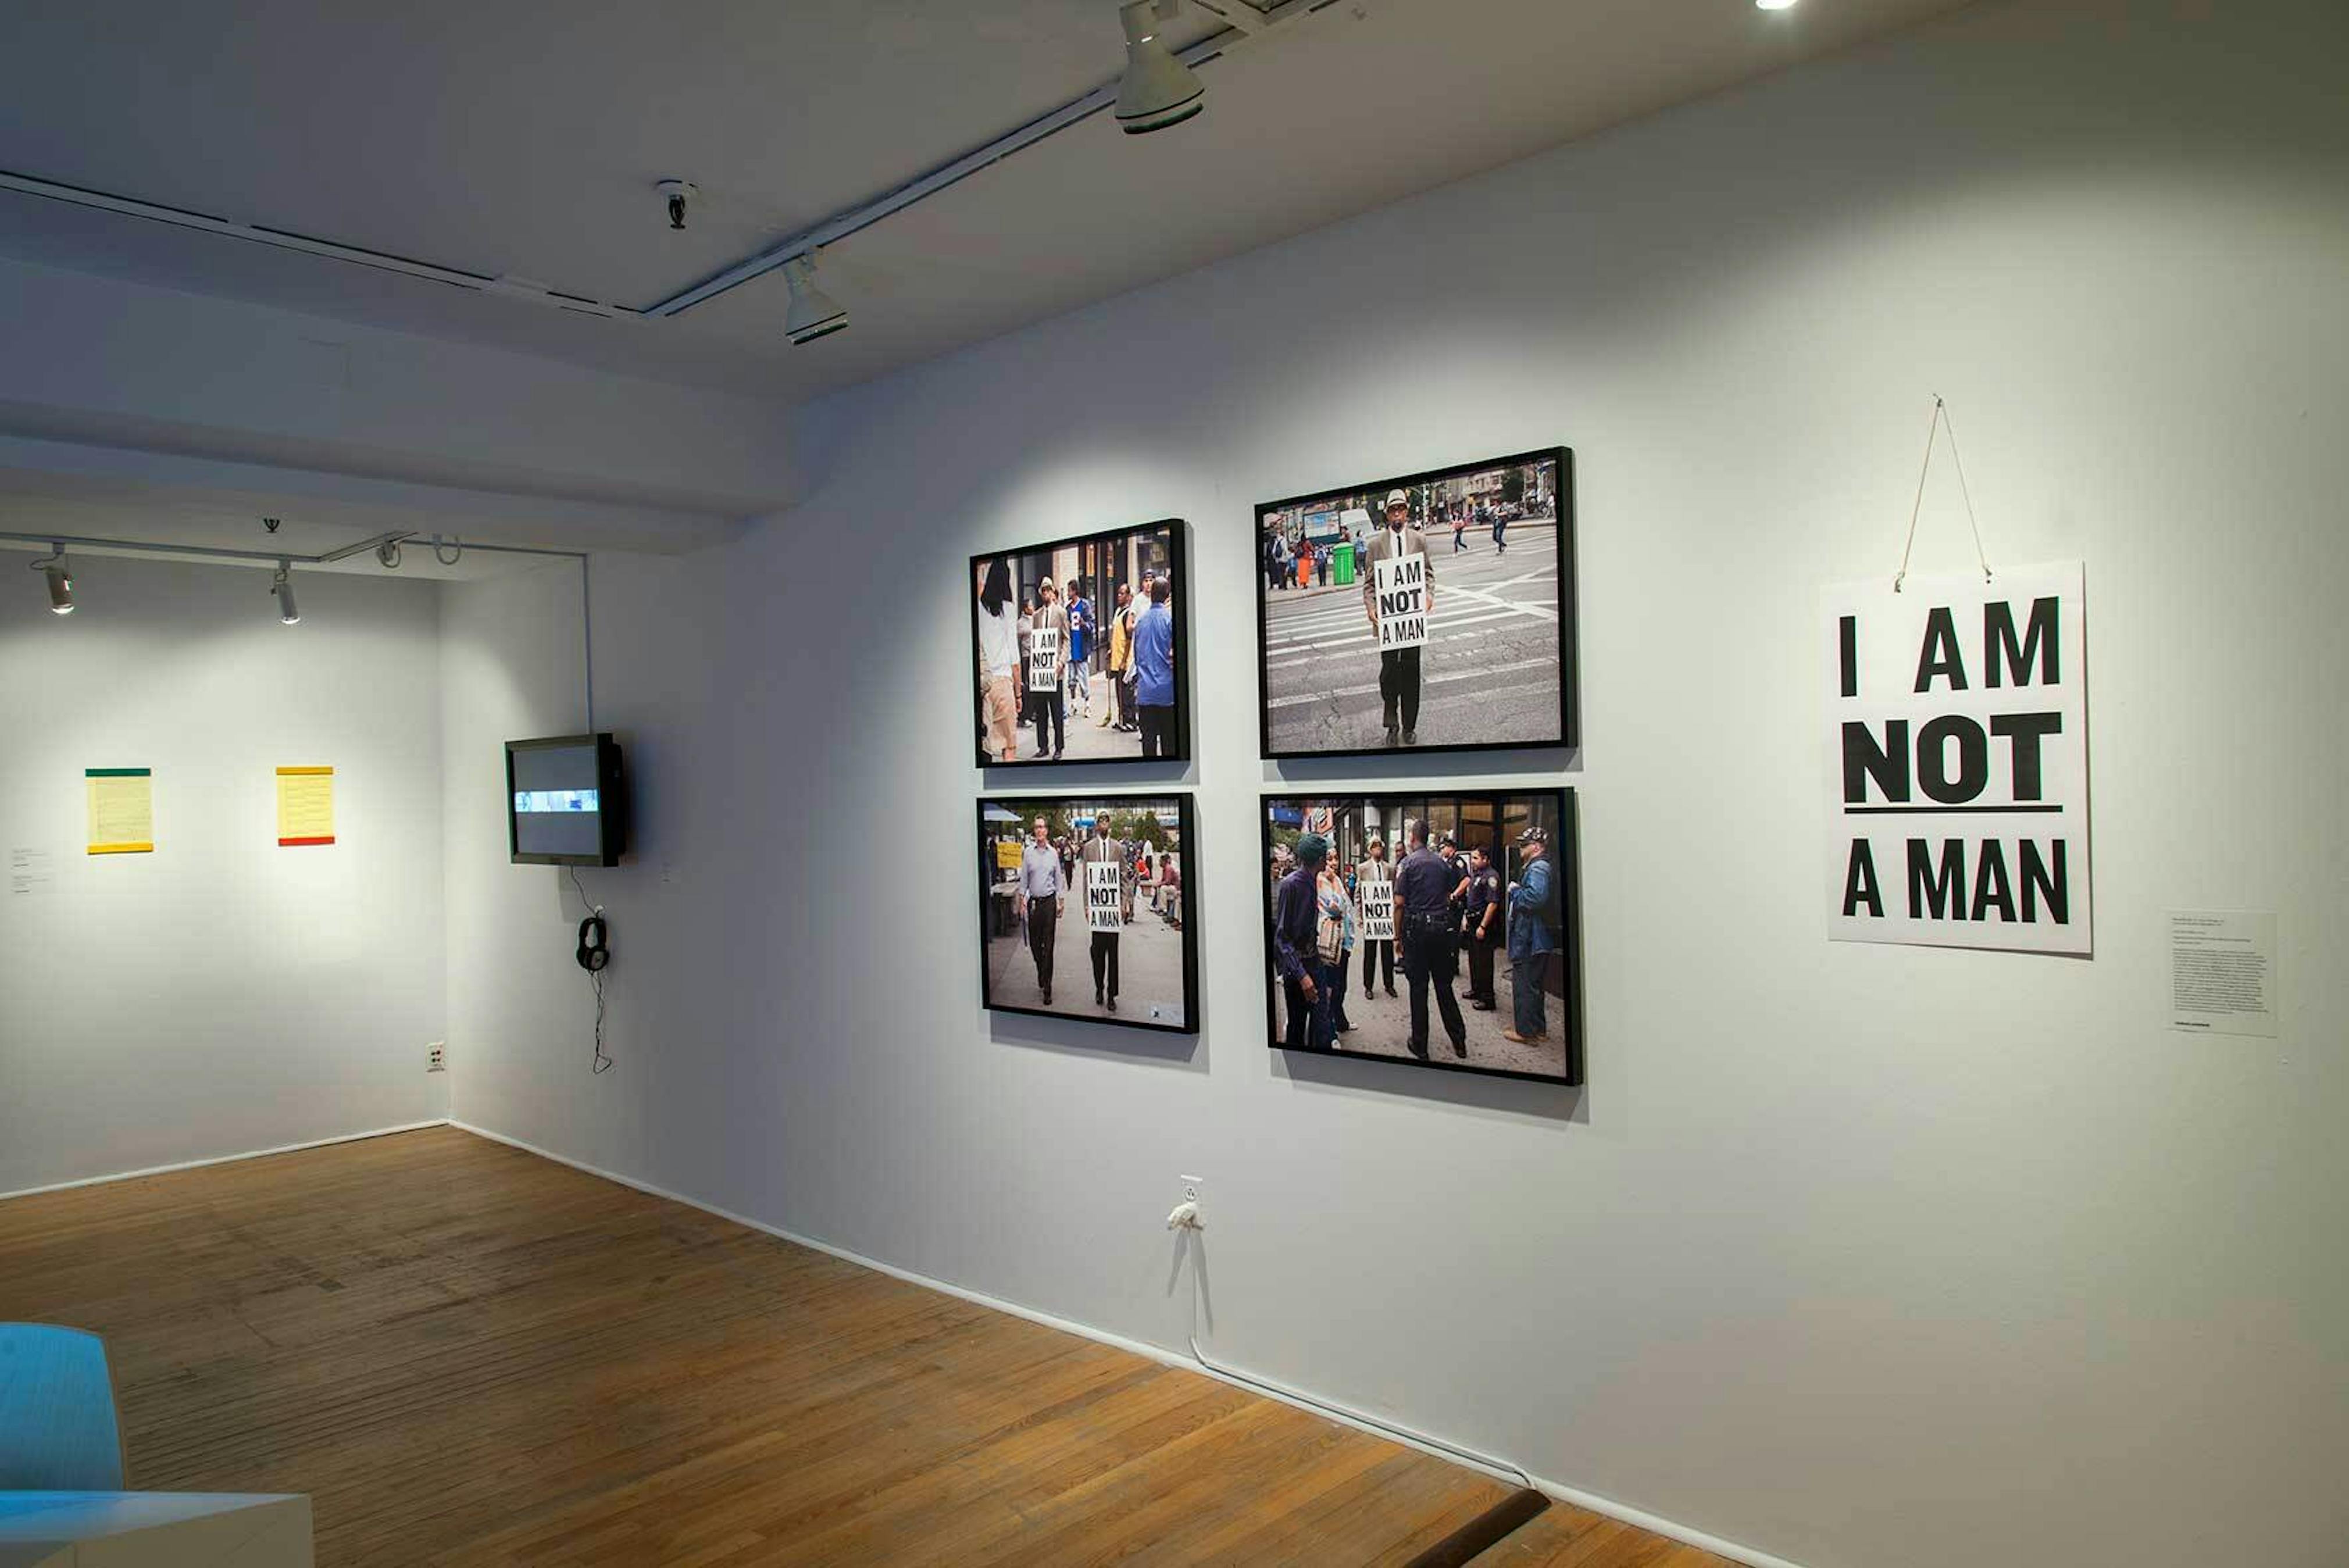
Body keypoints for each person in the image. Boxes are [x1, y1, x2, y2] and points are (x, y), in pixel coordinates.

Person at [1359, 488, 1435, 747]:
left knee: (1411, 672)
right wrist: (1371, 608)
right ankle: (1391, 718)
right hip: (1387, 622)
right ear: (1387, 514)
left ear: (1407, 510)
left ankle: (1409, 726)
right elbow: (1369, 584)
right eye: (1393, 510)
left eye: (1401, 508)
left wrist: (1428, 596)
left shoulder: (1419, 540)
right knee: (1389, 672)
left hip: (1411, 621)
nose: (1397, 513)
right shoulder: (1376, 545)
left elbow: (1428, 575)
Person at [1393, 818, 1467, 1059]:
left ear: (1413, 838)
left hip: (1417, 934)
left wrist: (1397, 937)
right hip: (1441, 931)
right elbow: (1448, 896)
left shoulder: (1408, 864)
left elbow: (1399, 903)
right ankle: (1459, 1041)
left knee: (1419, 989)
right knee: (1444, 987)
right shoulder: (1442, 864)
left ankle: (1420, 1044)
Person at [1272, 833, 1327, 1052]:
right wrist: (1302, 977)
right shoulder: (1291, 885)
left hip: (1314, 962)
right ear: (1320, 859)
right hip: (1297, 969)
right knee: (1296, 1028)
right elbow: (1282, 938)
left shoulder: (1316, 881)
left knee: (1320, 1022)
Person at [1503, 824, 1557, 1045]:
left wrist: (1516, 890)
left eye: (1524, 845)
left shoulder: (1538, 869)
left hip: (1529, 939)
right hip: (1538, 938)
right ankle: (1538, 1029)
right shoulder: (1541, 866)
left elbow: (1535, 898)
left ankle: (1525, 1032)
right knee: (1535, 986)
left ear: (1535, 847)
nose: (1520, 848)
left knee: (1524, 985)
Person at [974, 559, 1020, 763]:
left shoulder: (978, 609)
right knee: (1008, 746)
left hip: (984, 683)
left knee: (984, 746)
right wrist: (1019, 694)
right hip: (1003, 683)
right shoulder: (1008, 609)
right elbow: (1015, 658)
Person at [1015, 817, 1065, 1006]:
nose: (1040, 830)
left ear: (1047, 831)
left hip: (1049, 904)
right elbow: (1024, 881)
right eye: (1037, 827)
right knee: (1036, 946)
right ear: (1034, 831)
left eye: (1042, 827)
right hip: (1034, 904)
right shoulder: (1028, 853)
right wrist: (1021, 902)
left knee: (1049, 946)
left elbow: (1059, 879)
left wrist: (1061, 901)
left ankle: (1048, 988)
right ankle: (1041, 970)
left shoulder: (1053, 853)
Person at [1132, 574, 1177, 759]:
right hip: (1167, 692)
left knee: (1148, 745)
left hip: (1145, 693)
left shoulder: (1141, 623)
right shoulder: (1169, 620)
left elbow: (1136, 657)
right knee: (1169, 744)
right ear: (1167, 595)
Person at [1080, 818, 1123, 1013]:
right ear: (1097, 826)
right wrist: (1087, 906)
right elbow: (1086, 878)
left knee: (1113, 954)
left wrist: (1125, 902)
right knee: (1098, 953)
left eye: (1107, 821)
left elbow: (1124, 875)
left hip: (1113, 910)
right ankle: (1099, 988)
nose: (1104, 824)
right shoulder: (1089, 848)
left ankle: (1112, 995)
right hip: (1097, 909)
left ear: (1110, 825)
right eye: (1101, 821)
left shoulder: (1118, 847)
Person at [1315, 856, 1356, 1044]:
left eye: (1336, 858)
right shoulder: (1323, 880)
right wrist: (1335, 884)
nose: (1333, 862)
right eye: (1329, 858)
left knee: (1341, 987)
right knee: (1332, 989)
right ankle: (1330, 1032)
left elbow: (1348, 909)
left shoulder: (1336, 879)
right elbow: (1336, 908)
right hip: (1331, 945)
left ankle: (1341, 1023)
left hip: (1343, 942)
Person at [1027, 578, 1070, 760]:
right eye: (1043, 591)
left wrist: (1060, 664)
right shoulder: (1036, 616)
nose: (1046, 594)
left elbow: (1066, 639)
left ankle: (1059, 747)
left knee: (1057, 711)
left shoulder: (1061, 613)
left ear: (1053, 592)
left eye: (1048, 591)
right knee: (1041, 711)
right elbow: (1035, 644)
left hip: (1056, 672)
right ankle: (1042, 746)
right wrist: (1032, 668)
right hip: (1040, 672)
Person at [1462, 845, 1503, 1010]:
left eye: (1476, 858)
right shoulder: (1476, 875)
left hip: (1483, 923)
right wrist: (1466, 918)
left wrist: (1483, 926)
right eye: (1472, 858)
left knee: (1485, 962)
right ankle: (1476, 990)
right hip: (1473, 921)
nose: (1473, 861)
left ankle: (1487, 998)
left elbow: (1492, 904)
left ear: (1486, 859)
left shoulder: (1492, 876)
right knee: (1474, 959)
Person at [1356, 835, 1397, 1000]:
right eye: (1374, 847)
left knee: (1388, 952)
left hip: (1385, 918)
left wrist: (1394, 915)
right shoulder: (1363, 868)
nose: (1377, 850)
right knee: (1370, 953)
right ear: (1370, 850)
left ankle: (1389, 984)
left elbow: (1393, 892)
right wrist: (1360, 916)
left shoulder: (1390, 868)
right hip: (1371, 917)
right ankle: (1368, 986)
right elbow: (1358, 894)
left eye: (1380, 847)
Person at [1101, 581, 1132, 730]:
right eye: (1119, 593)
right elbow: (1117, 634)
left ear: (1129, 596)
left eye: (1122, 593)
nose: (1119, 596)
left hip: (1124, 660)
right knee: (1118, 691)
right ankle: (1121, 718)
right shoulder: (1118, 612)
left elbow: (1128, 639)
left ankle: (1129, 720)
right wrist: (1111, 650)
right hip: (1116, 657)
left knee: (1126, 692)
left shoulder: (1128, 614)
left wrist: (1124, 660)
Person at [1066, 580, 1093, 717]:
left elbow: (1091, 625)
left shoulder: (1085, 606)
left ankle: (1087, 705)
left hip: (1081, 646)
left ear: (1075, 591)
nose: (1067, 593)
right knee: (1071, 678)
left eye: (1069, 590)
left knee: (1083, 678)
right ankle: (1073, 703)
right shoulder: (1068, 608)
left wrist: (1084, 624)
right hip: (1071, 647)